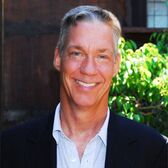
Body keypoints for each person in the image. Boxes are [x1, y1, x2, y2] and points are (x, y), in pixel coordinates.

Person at [0, 5, 167, 168]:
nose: (88, 69)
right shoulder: (9, 149)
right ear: (58, 58)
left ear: (116, 64)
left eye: (101, 56)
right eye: (77, 53)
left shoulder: (153, 151)